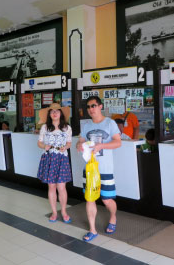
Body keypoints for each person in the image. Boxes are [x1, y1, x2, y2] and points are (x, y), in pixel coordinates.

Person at [76, 96, 121, 242]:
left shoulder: (110, 123)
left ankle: (113, 217)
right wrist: (79, 145)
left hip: (105, 169)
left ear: (100, 106)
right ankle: (92, 230)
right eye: (88, 107)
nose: (91, 109)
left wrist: (101, 146)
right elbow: (81, 141)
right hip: (89, 169)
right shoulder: (87, 126)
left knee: (107, 199)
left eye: (93, 106)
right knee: (90, 198)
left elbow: (117, 142)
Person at [37, 103, 72, 224]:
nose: (55, 113)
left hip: (62, 158)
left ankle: (63, 211)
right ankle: (54, 212)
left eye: (57, 111)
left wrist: (65, 147)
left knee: (61, 187)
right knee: (51, 186)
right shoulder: (45, 127)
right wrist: (44, 146)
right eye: (52, 111)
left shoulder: (67, 128)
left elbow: (69, 143)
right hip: (49, 158)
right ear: (49, 114)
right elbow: (39, 143)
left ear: (61, 113)